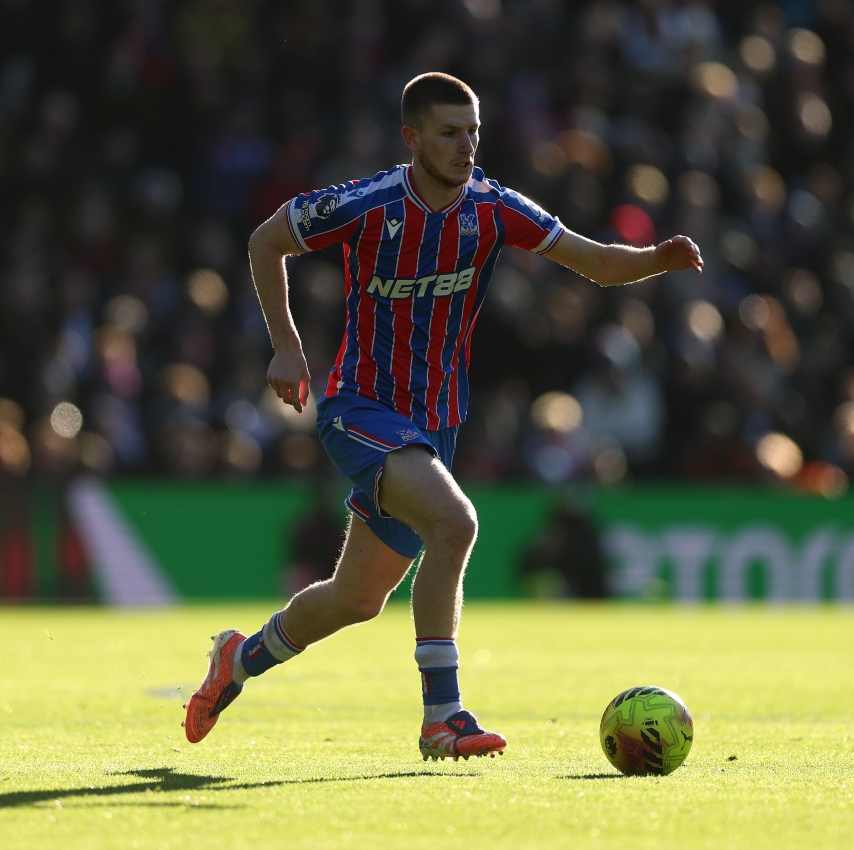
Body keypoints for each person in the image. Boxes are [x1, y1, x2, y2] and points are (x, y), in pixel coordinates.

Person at [183, 72, 703, 760]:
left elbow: (598, 265)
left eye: (473, 133)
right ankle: (443, 717)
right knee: (456, 523)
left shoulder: (494, 208)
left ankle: (238, 659)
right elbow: (264, 240)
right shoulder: (367, 204)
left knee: (355, 599)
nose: (466, 147)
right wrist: (285, 344)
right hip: (359, 407)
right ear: (413, 138)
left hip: (434, 426)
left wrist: (654, 260)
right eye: (450, 133)